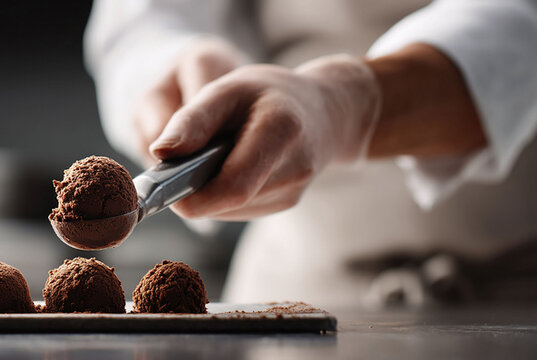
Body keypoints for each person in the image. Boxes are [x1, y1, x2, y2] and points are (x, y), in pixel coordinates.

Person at [84, 0, 537, 307]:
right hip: (298, 287)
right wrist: (173, 64)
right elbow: (143, 17)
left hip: (516, 293)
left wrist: (347, 104)